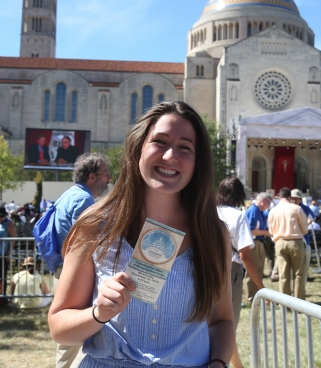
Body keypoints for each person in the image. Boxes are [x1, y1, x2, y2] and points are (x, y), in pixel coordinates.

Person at [48, 101, 235, 368]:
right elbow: (59, 328)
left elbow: (222, 321)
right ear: (138, 149)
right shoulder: (94, 226)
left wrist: (218, 362)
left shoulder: (214, 235)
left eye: (185, 147)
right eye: (160, 142)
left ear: (197, 162)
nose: (171, 156)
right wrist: (98, 313)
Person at [53, 152, 111, 368]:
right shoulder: (84, 200)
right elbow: (88, 243)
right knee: (74, 331)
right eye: (106, 174)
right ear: (92, 177)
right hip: (75, 272)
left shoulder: (69, 194)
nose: (109, 179)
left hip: (63, 268)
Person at [216, 177, 265, 368]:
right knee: (228, 323)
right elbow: (245, 255)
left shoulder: (209, 211)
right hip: (230, 270)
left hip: (207, 267)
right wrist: (260, 285)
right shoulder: (238, 215)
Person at [268, 188, 308, 300]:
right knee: (299, 274)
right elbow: (304, 229)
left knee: (283, 275)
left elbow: (271, 231)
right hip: (295, 242)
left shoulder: (273, 211)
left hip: (279, 242)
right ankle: (299, 302)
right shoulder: (297, 208)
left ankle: (285, 303)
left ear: (278, 197)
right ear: (290, 197)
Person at [244, 192, 272, 303]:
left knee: (259, 269)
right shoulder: (253, 211)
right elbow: (251, 230)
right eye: (268, 203)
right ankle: (251, 297)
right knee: (252, 270)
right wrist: (265, 232)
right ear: (263, 201)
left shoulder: (258, 211)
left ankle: (257, 296)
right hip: (253, 243)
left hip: (258, 242)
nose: (268, 206)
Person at [290, 189, 315, 285]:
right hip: (291, 239)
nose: (294, 201)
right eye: (292, 199)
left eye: (296, 199)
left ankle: (302, 285)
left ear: (300, 199)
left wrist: (303, 226)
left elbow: (311, 219)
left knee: (304, 263)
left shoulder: (305, 208)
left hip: (304, 239)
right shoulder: (287, 208)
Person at [0, 207, 16, 305]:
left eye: (2, 216)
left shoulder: (8, 223)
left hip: (3, 255)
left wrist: (9, 253)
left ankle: (2, 298)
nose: (0, 218)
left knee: (2, 277)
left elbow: (13, 239)